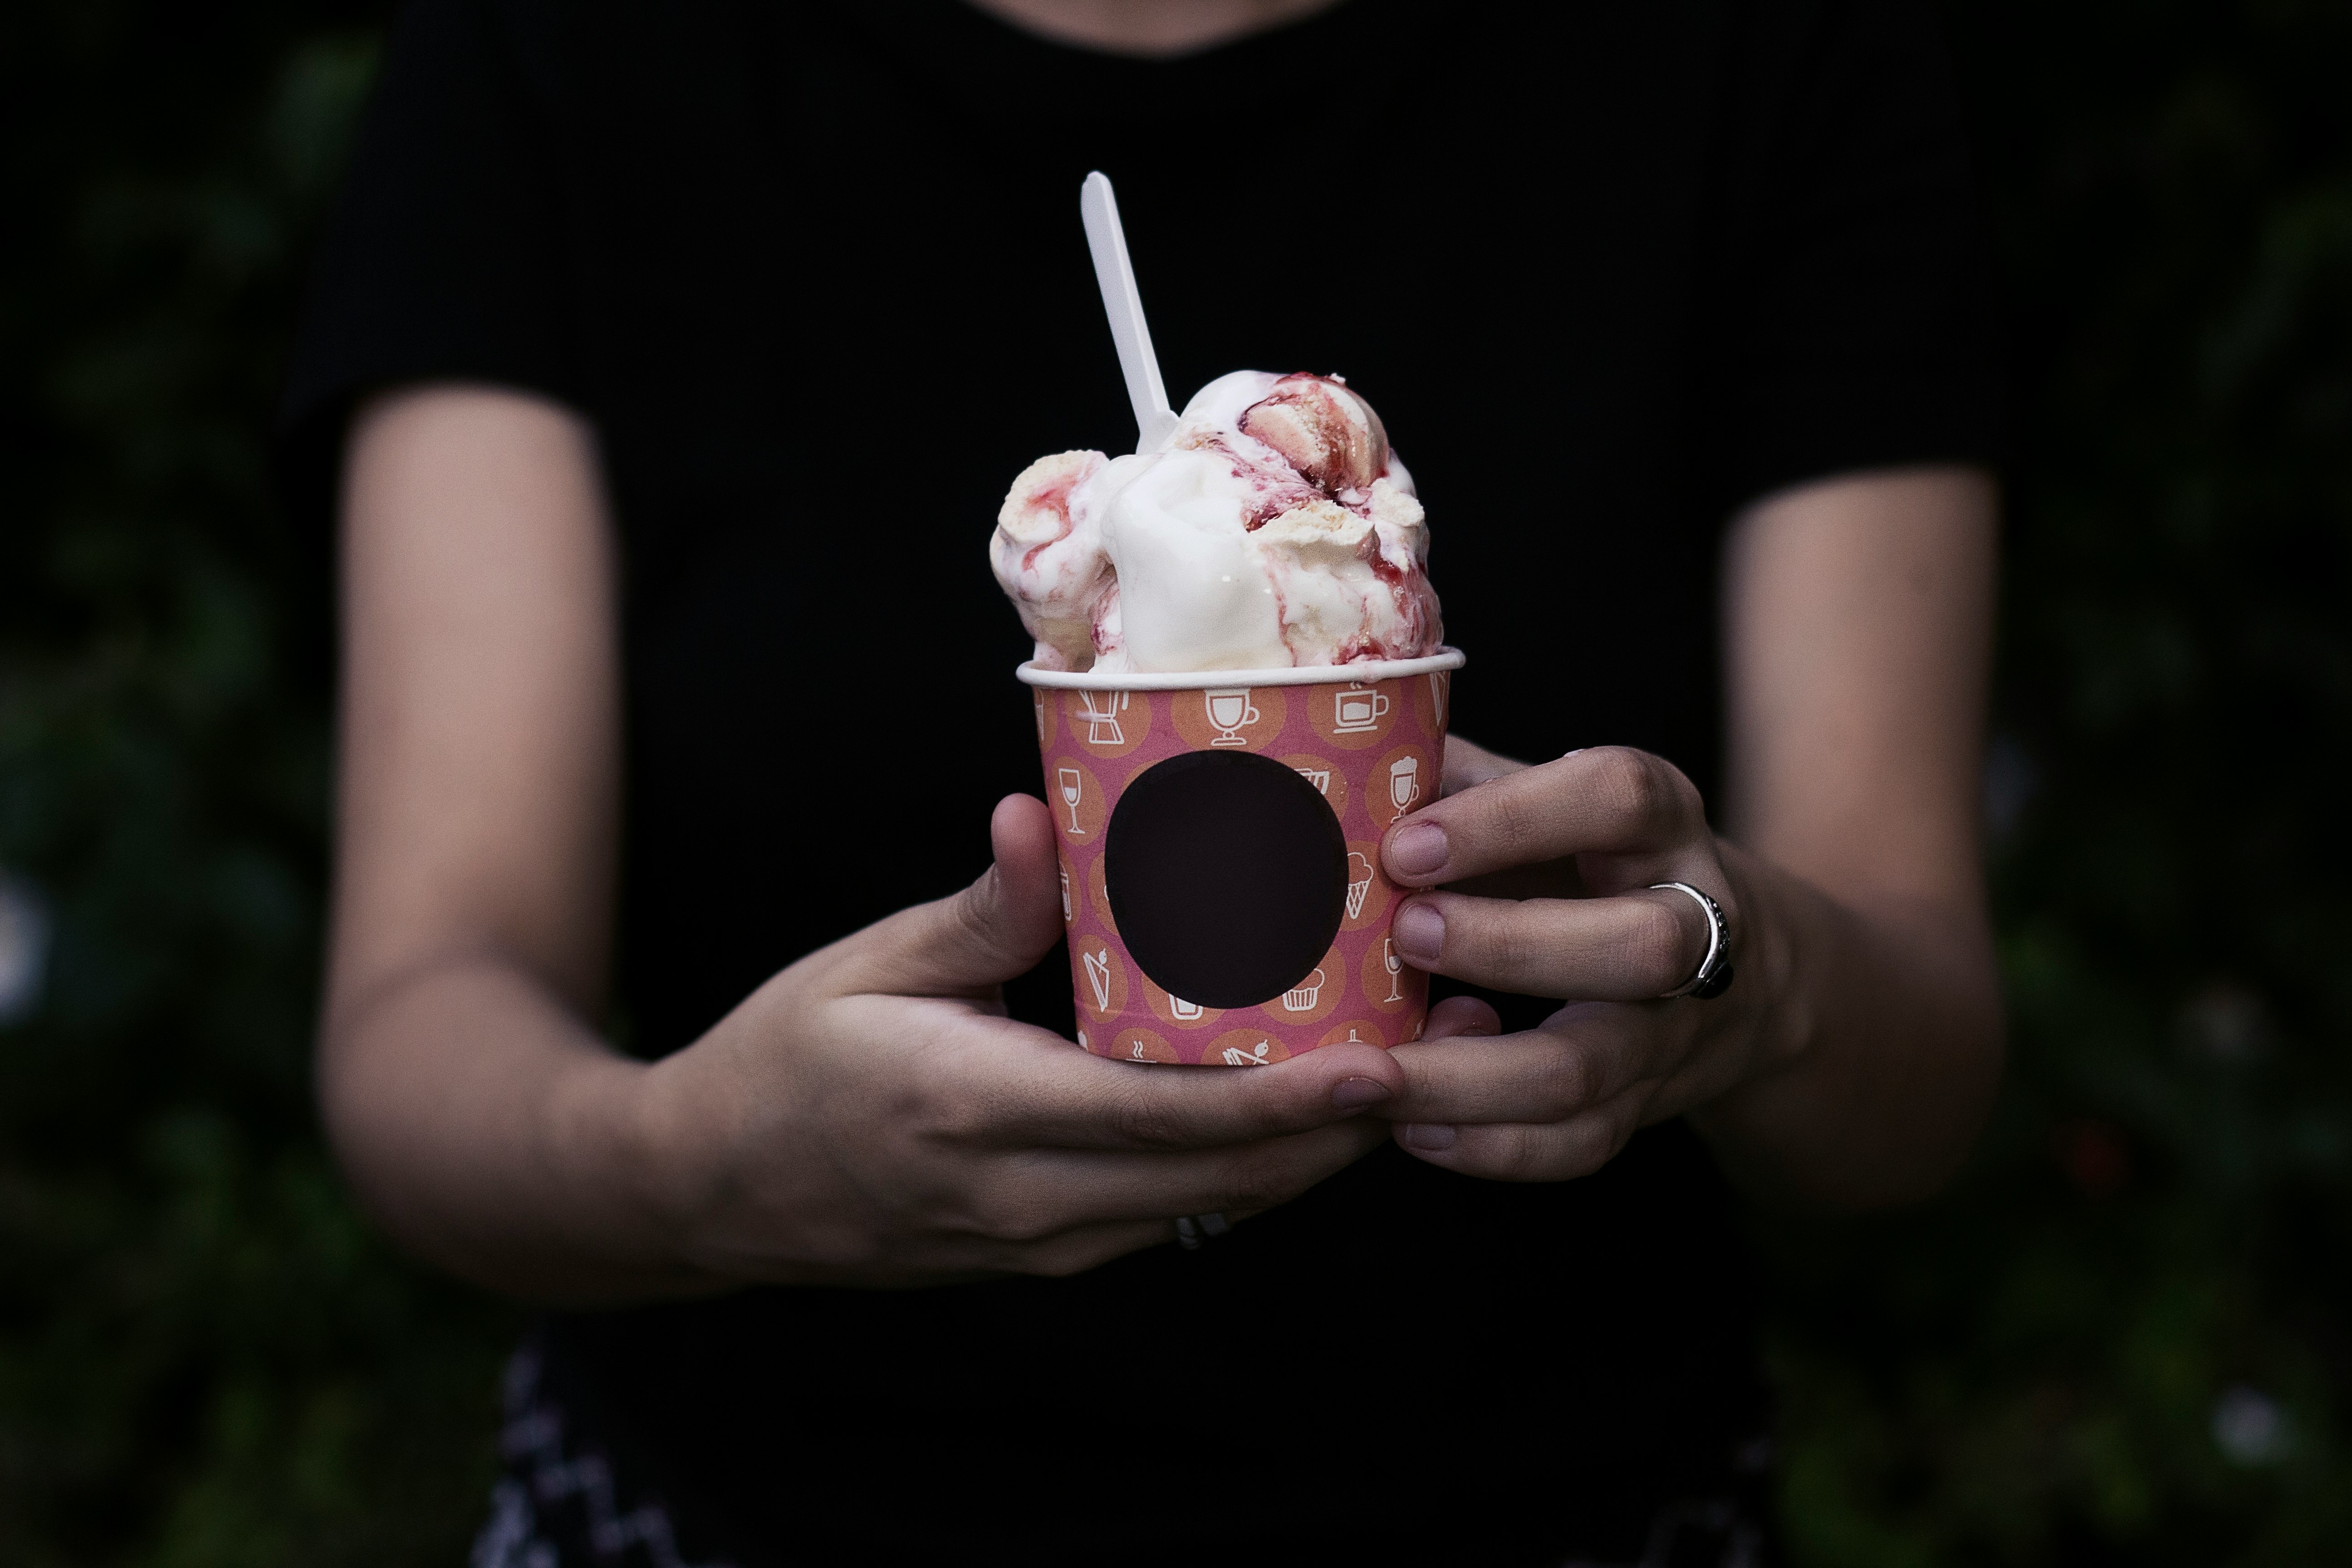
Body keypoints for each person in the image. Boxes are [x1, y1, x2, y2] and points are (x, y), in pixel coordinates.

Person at [283, 0, 2005, 1561]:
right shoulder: (550, 52)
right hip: (726, 1516)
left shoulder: (1777, 47)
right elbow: (422, 1017)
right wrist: (698, 1166)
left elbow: (1916, 1085)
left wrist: (1749, 975)